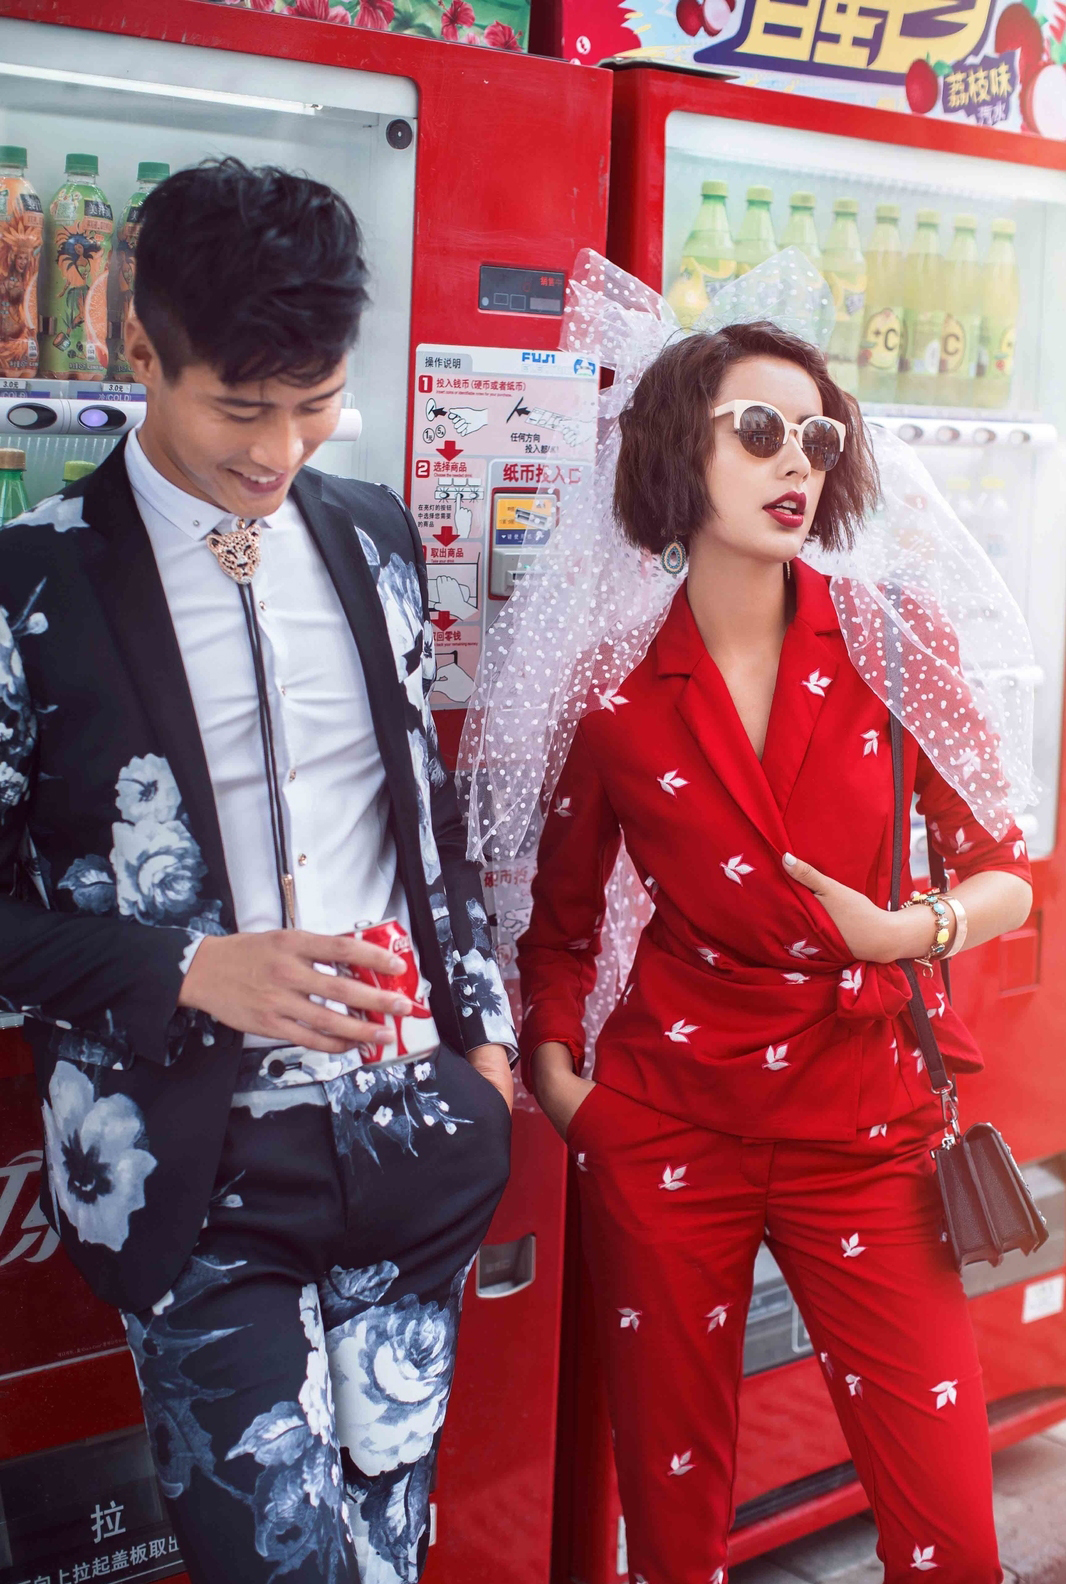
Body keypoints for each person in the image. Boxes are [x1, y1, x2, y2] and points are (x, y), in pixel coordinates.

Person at [463, 251, 1036, 1584]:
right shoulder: (614, 690)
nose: (799, 463)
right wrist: (568, 1093)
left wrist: (909, 934)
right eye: (761, 430)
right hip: (667, 1124)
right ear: (681, 454)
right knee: (673, 1532)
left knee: (952, 1529)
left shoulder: (893, 639)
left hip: (869, 1121)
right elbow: (556, 926)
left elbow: (1005, 868)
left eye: (820, 438)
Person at [0, 158, 515, 1584]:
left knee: (391, 1551)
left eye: (315, 402)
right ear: (140, 352)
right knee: (277, 1564)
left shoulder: (372, 535)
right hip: (195, 1169)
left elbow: (425, 811)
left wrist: (482, 1049)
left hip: (414, 1136)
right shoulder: (28, 582)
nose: (281, 449)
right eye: (241, 407)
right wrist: (187, 969)